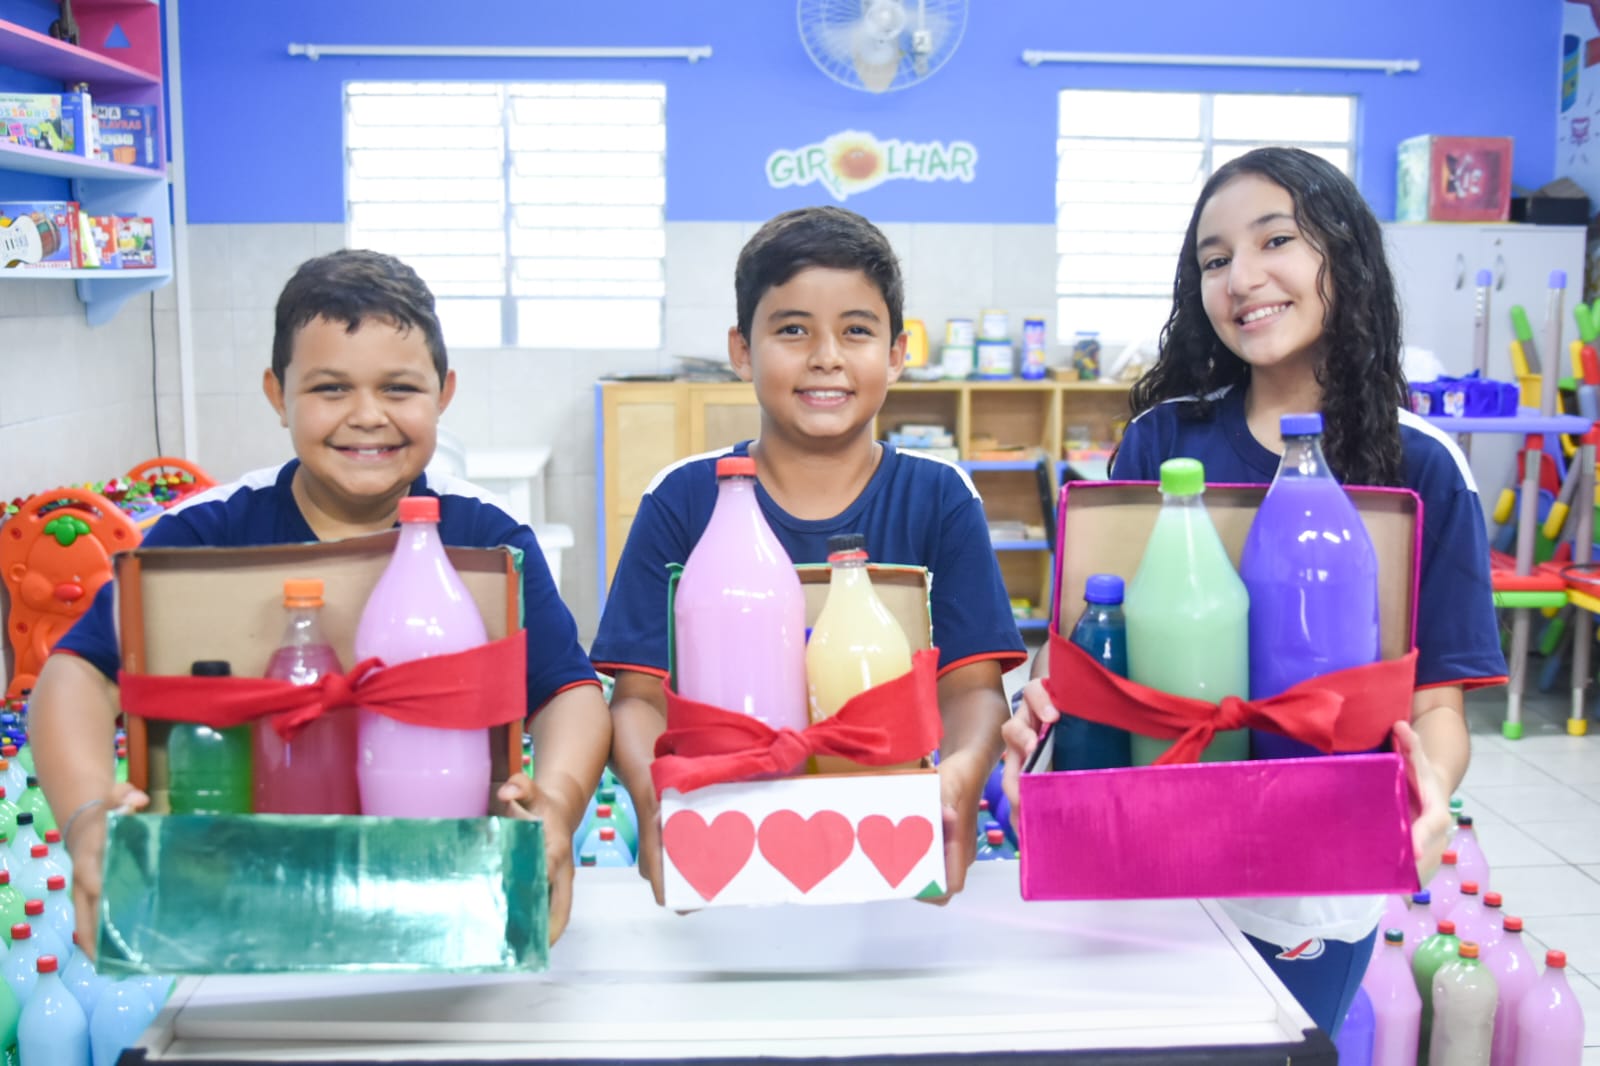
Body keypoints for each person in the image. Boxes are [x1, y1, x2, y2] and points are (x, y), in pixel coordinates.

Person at [1000, 148, 1506, 1036]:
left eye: (1276, 240)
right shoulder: (1162, 443)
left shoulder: (1419, 467)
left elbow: (1437, 705)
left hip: (1316, 878)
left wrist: (1427, 789)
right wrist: (1041, 712)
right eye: (1214, 259)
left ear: (1344, 254)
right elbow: (1089, 647)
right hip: (1152, 850)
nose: (1240, 278)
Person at [30, 249, 612, 951]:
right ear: (278, 394)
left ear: (444, 393)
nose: (367, 417)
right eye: (330, 389)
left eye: (399, 388)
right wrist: (88, 814)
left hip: (442, 892)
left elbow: (568, 691)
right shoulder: (205, 536)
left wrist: (559, 801)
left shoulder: (488, 540)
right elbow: (76, 675)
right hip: (235, 897)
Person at [593, 205, 1026, 900]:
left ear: (896, 354)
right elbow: (637, 699)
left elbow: (973, 689)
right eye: (792, 329)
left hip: (893, 851)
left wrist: (957, 780)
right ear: (742, 350)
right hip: (722, 844)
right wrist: (657, 805)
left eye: (856, 330)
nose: (826, 356)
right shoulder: (682, 501)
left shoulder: (940, 498)